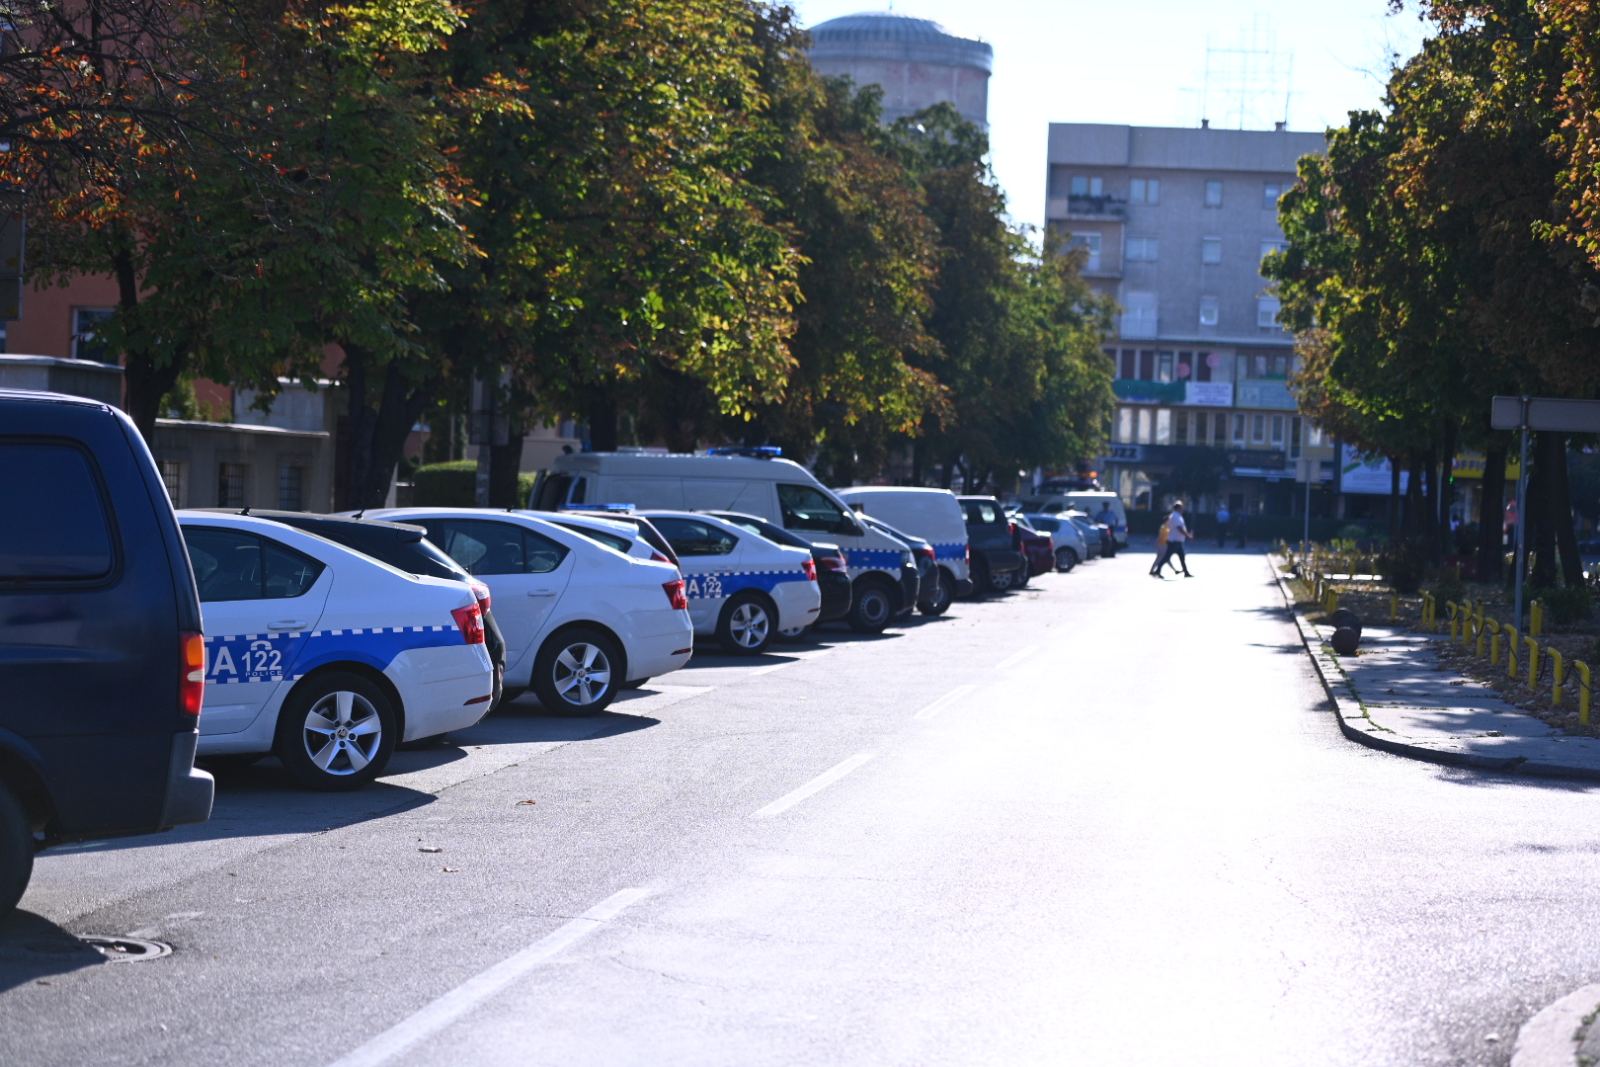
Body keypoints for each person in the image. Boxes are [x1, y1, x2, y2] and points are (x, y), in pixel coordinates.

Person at [1165, 501, 1194, 577]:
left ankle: (1186, 572)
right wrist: (1187, 535)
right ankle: (1157, 570)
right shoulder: (1175, 516)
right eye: (1181, 508)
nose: (1183, 509)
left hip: (1177, 540)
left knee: (1182, 557)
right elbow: (1179, 528)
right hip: (1174, 540)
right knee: (1166, 557)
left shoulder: (1177, 516)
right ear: (1178, 508)